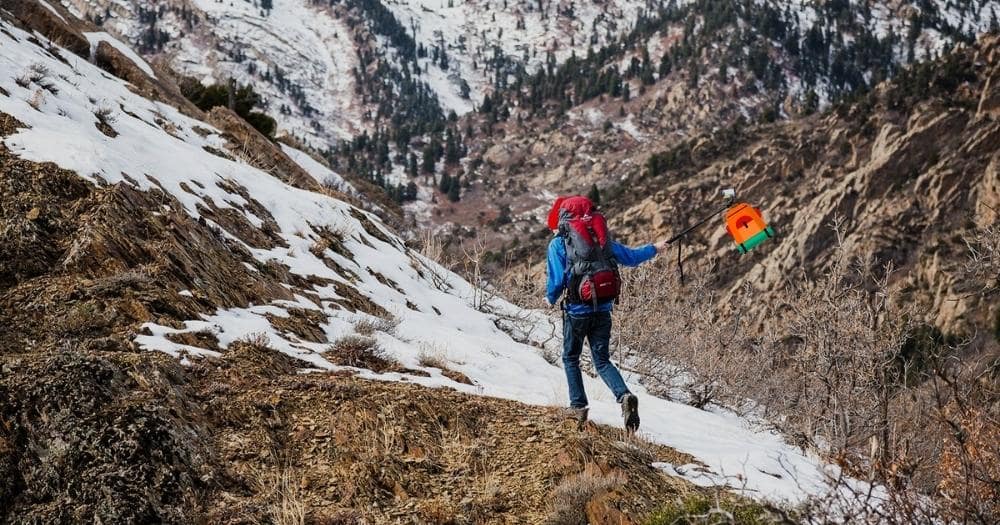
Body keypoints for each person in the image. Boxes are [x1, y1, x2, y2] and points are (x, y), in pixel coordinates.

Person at [545, 196, 668, 432]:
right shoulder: (602, 241)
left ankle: (578, 408)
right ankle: (624, 397)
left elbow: (557, 280)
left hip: (576, 311)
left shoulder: (559, 243)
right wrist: (655, 248)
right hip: (602, 309)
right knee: (601, 360)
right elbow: (631, 258)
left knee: (571, 358)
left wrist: (550, 298)